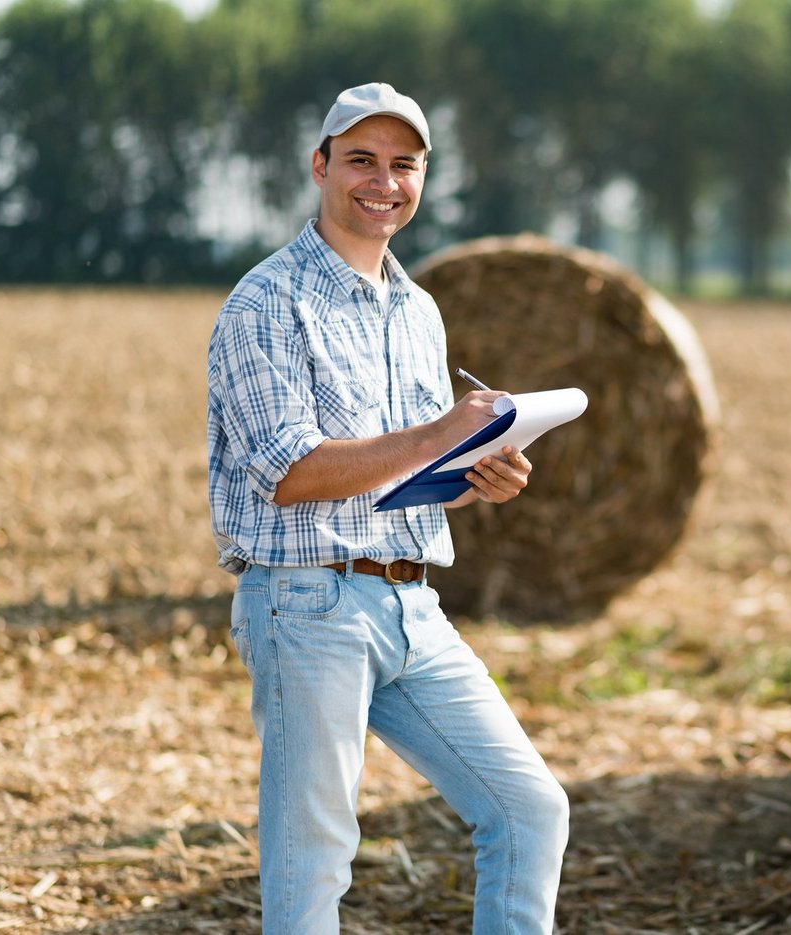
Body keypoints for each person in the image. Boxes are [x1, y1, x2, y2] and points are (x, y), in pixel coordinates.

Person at [206, 82, 569, 934]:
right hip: (307, 603)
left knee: (530, 810)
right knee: (314, 862)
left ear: (422, 178)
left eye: (403, 165)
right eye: (361, 160)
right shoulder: (266, 302)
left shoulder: (419, 309)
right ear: (320, 165)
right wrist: (444, 426)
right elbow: (288, 470)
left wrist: (480, 470)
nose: (384, 181)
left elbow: (405, 463)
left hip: (414, 602)